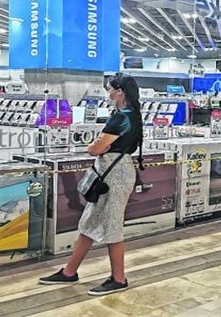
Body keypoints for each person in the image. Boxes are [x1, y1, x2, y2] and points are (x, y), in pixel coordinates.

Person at [39, 73, 144, 295]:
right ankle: (69, 272)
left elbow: (94, 149)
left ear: (120, 92)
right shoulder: (132, 115)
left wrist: (97, 145)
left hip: (114, 175)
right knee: (88, 223)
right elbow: (101, 146)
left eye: (109, 89)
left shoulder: (120, 118)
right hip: (115, 172)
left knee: (112, 226)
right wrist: (100, 145)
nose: (107, 93)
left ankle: (119, 279)